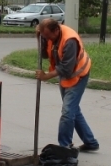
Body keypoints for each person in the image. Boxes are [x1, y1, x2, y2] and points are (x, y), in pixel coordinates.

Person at [35, 19, 99, 151]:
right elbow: (45, 54)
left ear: (56, 30)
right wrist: (40, 38)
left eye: (48, 36)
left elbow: (66, 68)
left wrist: (46, 76)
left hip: (78, 74)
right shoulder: (49, 34)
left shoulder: (70, 40)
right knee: (73, 110)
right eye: (44, 36)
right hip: (66, 75)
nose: (47, 39)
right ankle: (90, 142)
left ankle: (64, 147)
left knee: (67, 112)